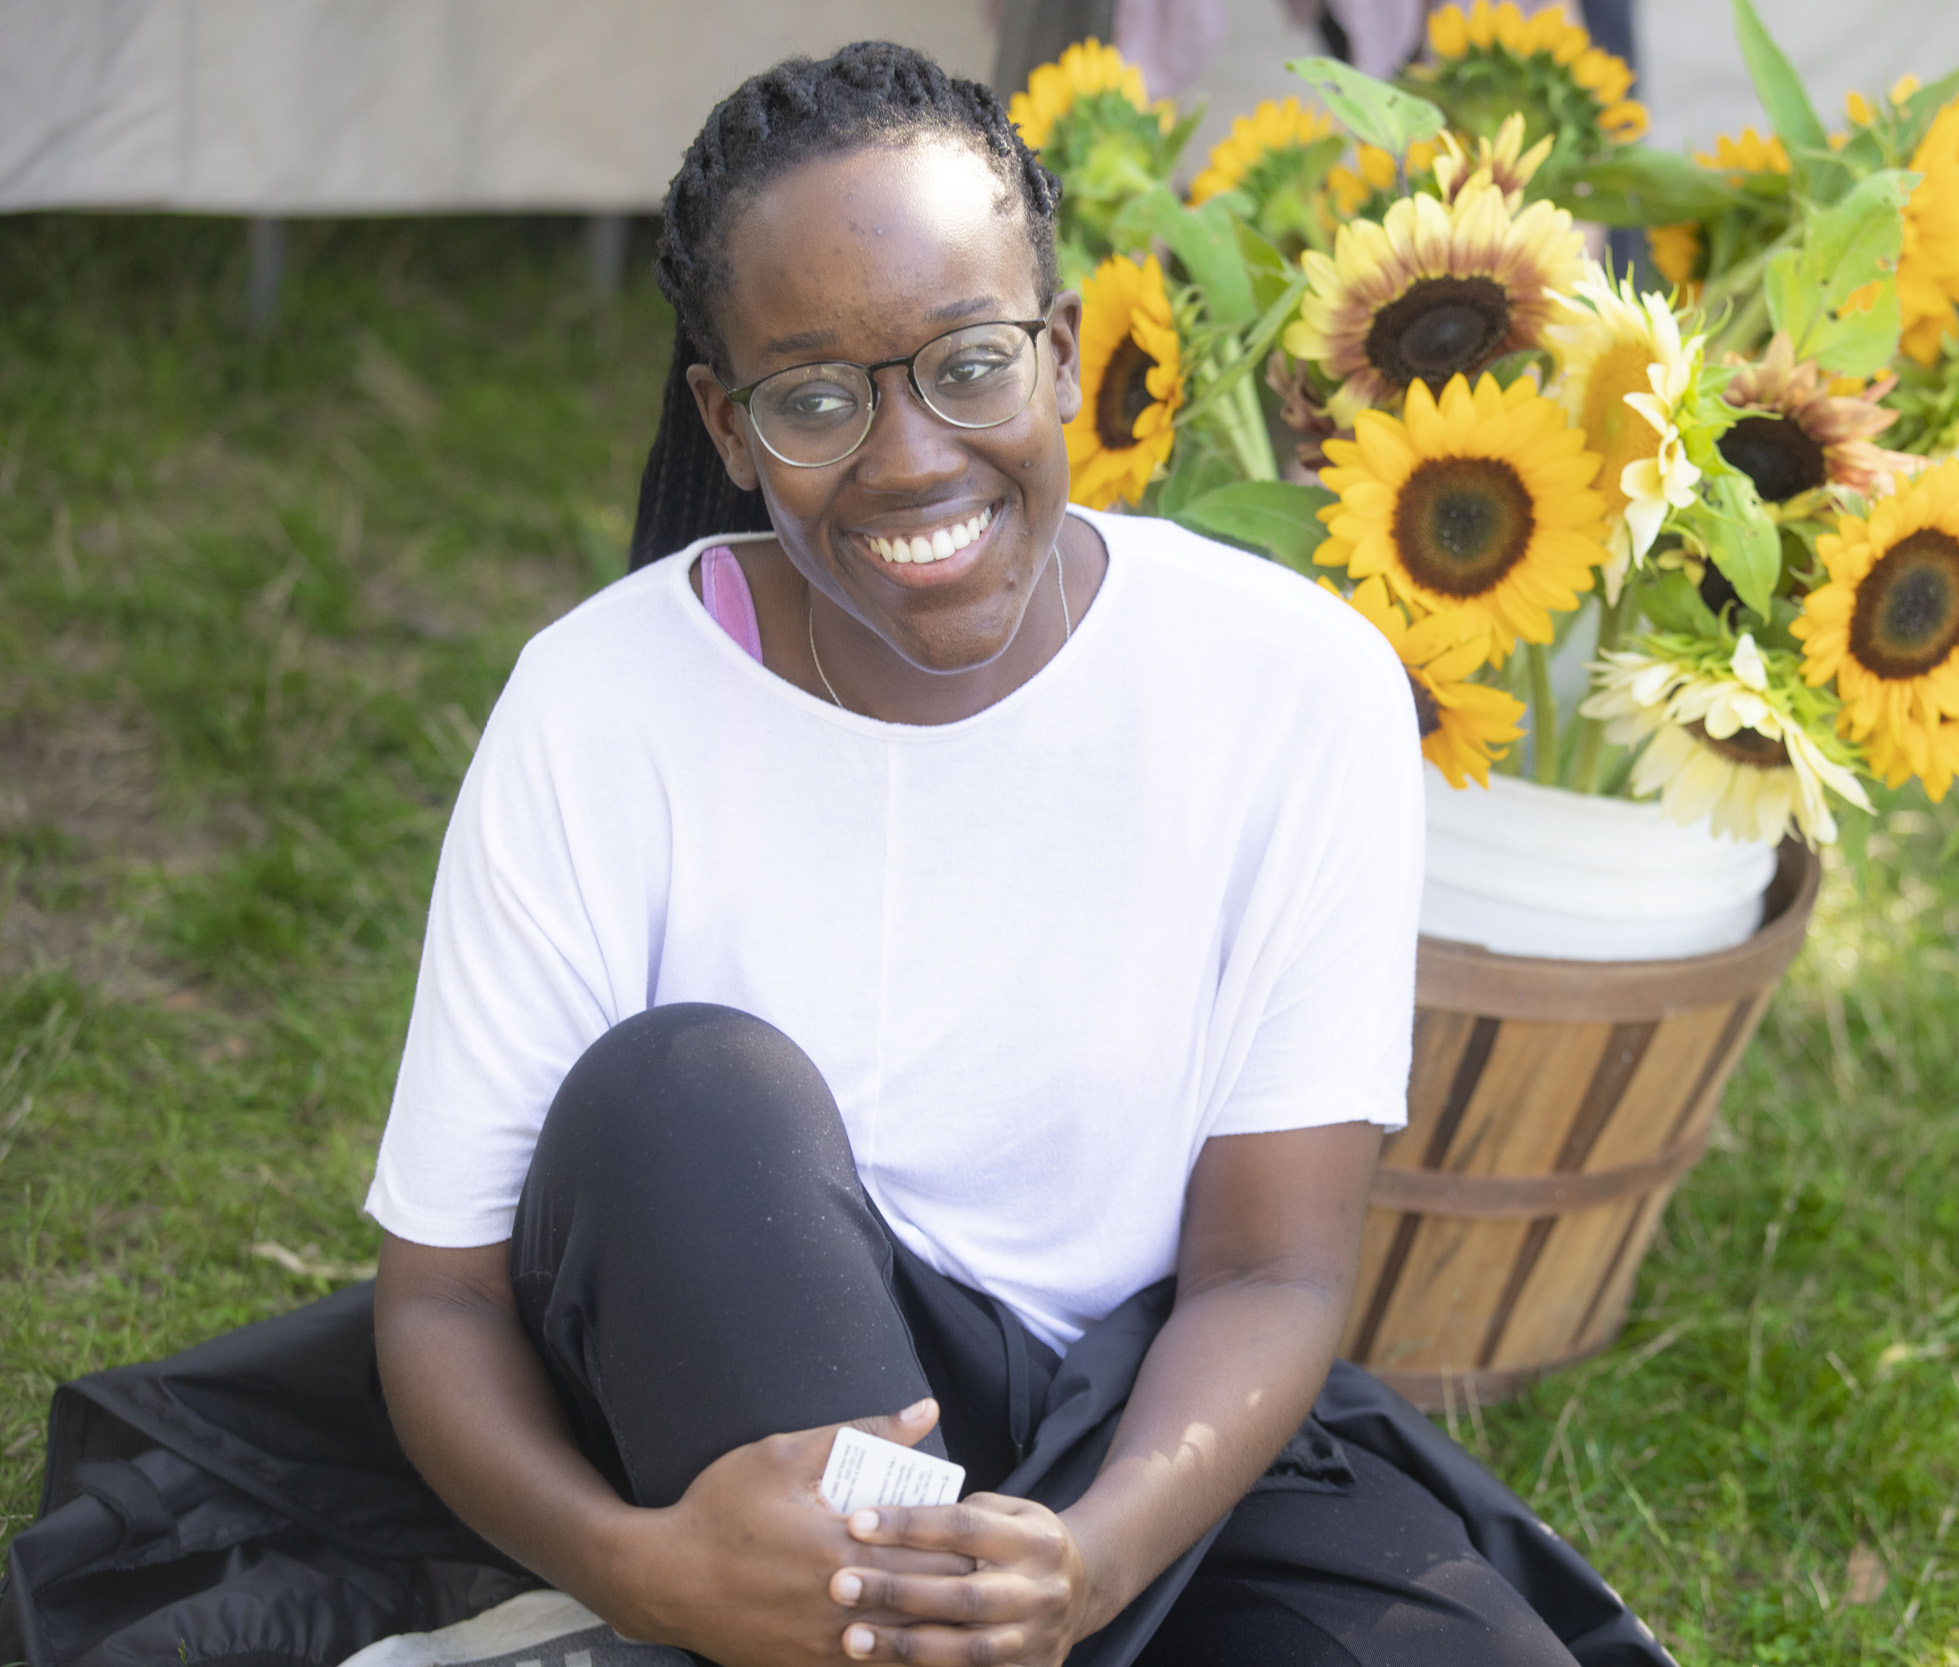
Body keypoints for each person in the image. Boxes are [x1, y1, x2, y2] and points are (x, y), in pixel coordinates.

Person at [364, 41, 1673, 1667]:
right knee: (686, 1095)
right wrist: (646, 1571)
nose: (910, 458)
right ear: (730, 419)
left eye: (968, 362)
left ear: (1059, 353)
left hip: (1127, 1435)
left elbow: (1268, 1269)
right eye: (819, 399)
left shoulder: (1289, 684)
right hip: (752, 1399)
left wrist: (1093, 1564)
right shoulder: (600, 707)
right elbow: (440, 1307)